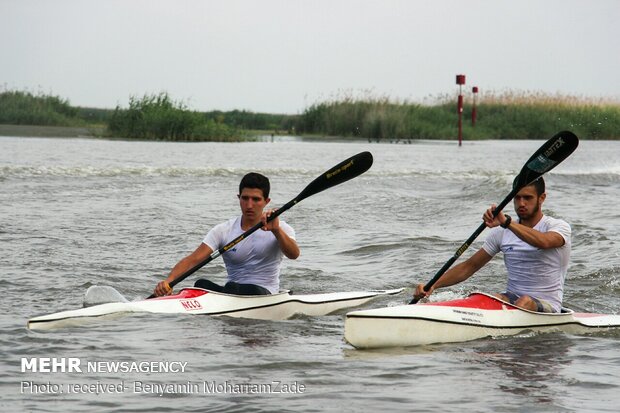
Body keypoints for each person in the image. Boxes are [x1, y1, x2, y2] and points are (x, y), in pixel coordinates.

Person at [414, 177, 571, 313]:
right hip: (512, 299)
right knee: (487, 298)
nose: (521, 203)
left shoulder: (558, 226)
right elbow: (470, 266)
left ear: (541, 198)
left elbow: (544, 242)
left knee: (525, 302)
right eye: (517, 198)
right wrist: (433, 285)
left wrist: (507, 222)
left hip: (548, 306)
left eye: (527, 198)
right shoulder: (501, 233)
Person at [153, 172, 300, 297]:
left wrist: (276, 231)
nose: (249, 205)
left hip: (264, 293)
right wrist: (169, 281)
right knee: (200, 284)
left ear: (266, 201)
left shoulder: (281, 227)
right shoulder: (224, 230)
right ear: (239, 198)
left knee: (234, 288)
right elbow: (193, 259)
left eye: (256, 199)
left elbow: (294, 254)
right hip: (231, 293)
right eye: (245, 198)